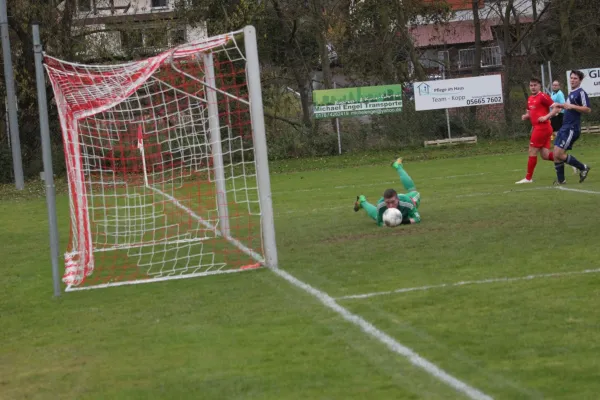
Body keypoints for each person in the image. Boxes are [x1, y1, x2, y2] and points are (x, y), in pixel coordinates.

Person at [551, 70, 592, 185]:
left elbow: (587, 109)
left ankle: (583, 167)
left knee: (559, 154)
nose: (573, 80)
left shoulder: (581, 92)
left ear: (580, 80)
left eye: (575, 78)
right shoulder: (572, 92)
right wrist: (559, 105)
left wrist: (572, 106)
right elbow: (568, 107)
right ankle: (561, 180)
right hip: (565, 126)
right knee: (555, 154)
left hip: (572, 128)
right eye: (572, 78)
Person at [353, 158, 421, 226]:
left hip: (408, 198)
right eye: (387, 203)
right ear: (384, 200)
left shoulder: (407, 203)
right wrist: (388, 223)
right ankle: (362, 201)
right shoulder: (381, 205)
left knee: (413, 191)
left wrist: (404, 221)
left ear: (397, 199)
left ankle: (398, 166)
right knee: (377, 217)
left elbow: (417, 218)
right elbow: (379, 223)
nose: (390, 205)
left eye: (393, 202)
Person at [515, 77, 557, 184]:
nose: (533, 87)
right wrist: (526, 116)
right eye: (531, 85)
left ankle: (528, 178)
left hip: (542, 128)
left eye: (535, 85)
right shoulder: (530, 98)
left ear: (539, 86)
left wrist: (546, 117)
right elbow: (530, 113)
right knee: (545, 155)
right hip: (540, 128)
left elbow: (557, 108)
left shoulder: (543, 96)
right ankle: (566, 160)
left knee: (532, 151)